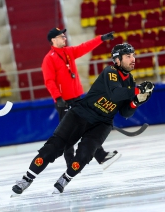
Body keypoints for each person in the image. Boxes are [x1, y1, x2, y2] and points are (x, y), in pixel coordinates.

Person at [12, 42, 154, 195]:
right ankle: (27, 179)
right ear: (117, 60)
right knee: (53, 148)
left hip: (102, 123)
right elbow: (115, 94)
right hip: (81, 114)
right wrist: (138, 90)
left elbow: (125, 113)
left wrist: (136, 101)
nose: (133, 59)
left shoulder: (130, 81)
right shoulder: (110, 71)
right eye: (128, 56)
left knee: (85, 154)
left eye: (133, 55)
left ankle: (65, 179)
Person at [42, 27, 121, 169]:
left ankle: (101, 155)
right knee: (68, 133)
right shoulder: (49, 59)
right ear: (53, 40)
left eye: (64, 36)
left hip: (77, 98)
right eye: (61, 36)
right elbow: (49, 81)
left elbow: (85, 47)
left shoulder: (68, 52)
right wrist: (58, 98)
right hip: (64, 101)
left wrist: (101, 39)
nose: (64, 38)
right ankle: (70, 163)